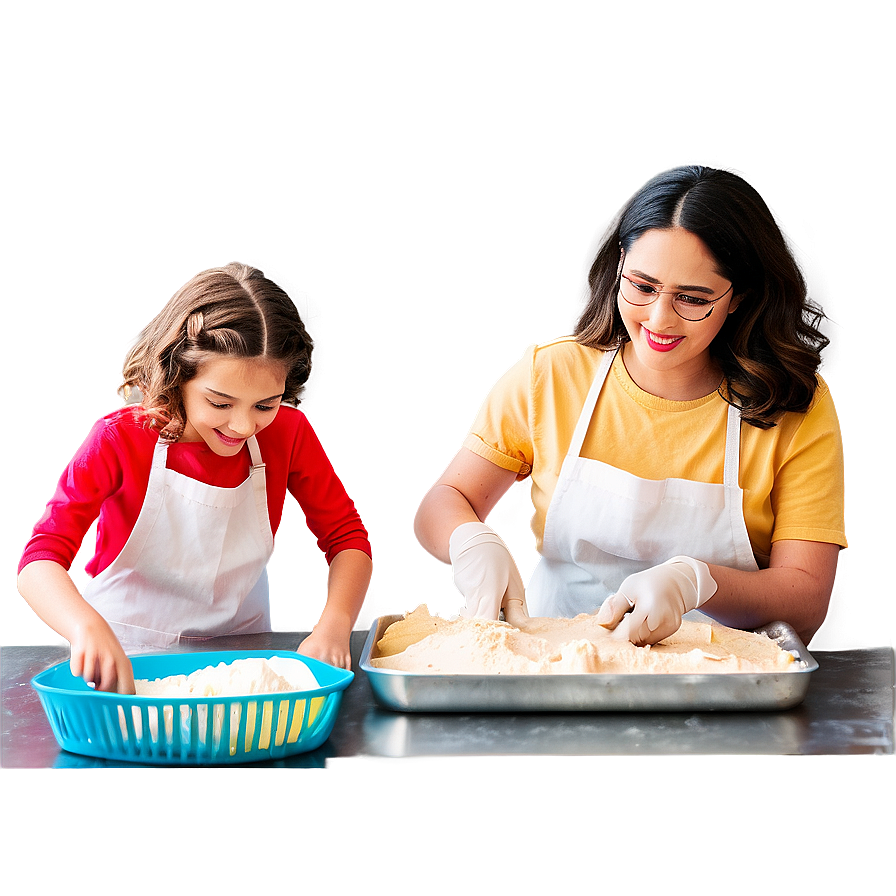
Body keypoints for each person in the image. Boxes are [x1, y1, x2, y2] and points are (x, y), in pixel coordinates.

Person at [415, 165, 846, 648]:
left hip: (721, 684)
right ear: (619, 264)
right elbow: (445, 500)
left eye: (692, 298)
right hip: (553, 669)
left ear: (738, 298)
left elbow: (808, 598)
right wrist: (471, 541)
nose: (659, 319)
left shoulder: (794, 408)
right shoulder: (550, 376)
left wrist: (697, 582)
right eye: (642, 286)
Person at [17, 263, 372, 693]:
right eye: (220, 403)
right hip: (127, 664)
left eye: (265, 404)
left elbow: (347, 537)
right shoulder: (119, 439)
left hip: (242, 666)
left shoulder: (290, 434)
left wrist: (334, 624)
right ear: (179, 375)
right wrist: (83, 626)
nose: (242, 426)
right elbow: (40, 560)